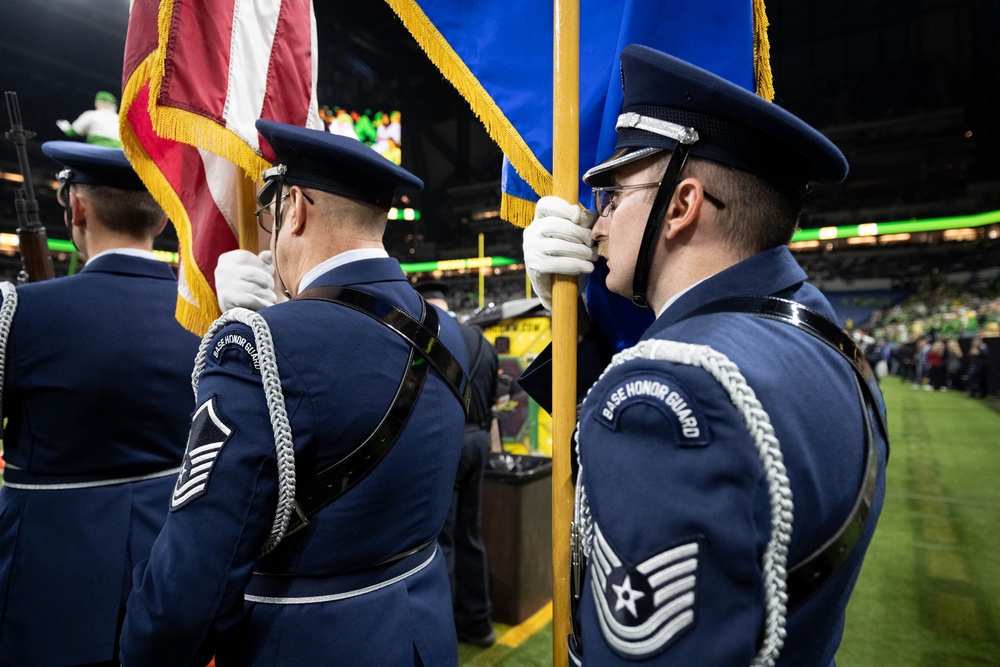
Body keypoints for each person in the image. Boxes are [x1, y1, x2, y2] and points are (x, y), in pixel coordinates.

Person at [519, 45, 888, 665]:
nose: (597, 224)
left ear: (682, 206)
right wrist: (575, 328)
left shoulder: (672, 390)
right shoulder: (824, 334)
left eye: (613, 196)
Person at [120, 119, 469, 666]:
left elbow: (193, 580)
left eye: (270, 215)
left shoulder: (258, 347)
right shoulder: (451, 332)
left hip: (303, 642)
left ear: (297, 208)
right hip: (420, 632)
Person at [0, 142, 200, 666]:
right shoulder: (208, 317)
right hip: (171, 576)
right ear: (160, 221)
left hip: (49, 584)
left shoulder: (19, 312)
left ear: (77, 210)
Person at [415, 279, 499, 648]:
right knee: (471, 535)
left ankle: (445, 628)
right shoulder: (482, 340)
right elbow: (495, 397)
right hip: (480, 439)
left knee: (443, 540)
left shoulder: (429, 337)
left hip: (448, 442)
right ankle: (479, 623)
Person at [56, 91, 123, 148]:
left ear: (98, 103)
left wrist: (66, 127)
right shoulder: (121, 121)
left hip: (98, 150)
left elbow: (73, 132)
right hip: (119, 153)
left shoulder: (91, 115)